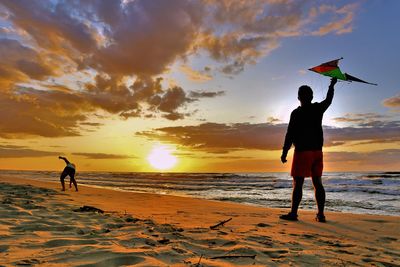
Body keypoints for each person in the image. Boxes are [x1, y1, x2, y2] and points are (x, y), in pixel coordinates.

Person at [280, 78, 337, 222]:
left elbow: (290, 134)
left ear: (298, 97)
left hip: (302, 152)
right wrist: (332, 85)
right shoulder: (317, 108)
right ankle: (321, 214)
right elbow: (328, 100)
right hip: (317, 152)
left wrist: (285, 151)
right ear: (311, 97)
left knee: (298, 183)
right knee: (317, 182)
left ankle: (293, 213)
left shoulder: (296, 113)